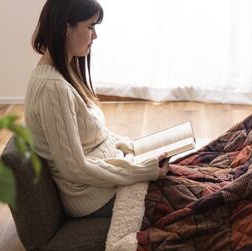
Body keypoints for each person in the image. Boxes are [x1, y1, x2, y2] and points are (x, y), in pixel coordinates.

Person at [24, 0, 169, 219]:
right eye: (90, 26)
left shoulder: (61, 74)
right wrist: (143, 171)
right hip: (94, 196)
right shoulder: (53, 89)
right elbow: (74, 168)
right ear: (65, 27)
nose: (95, 35)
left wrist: (135, 148)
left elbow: (94, 135)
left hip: (110, 175)